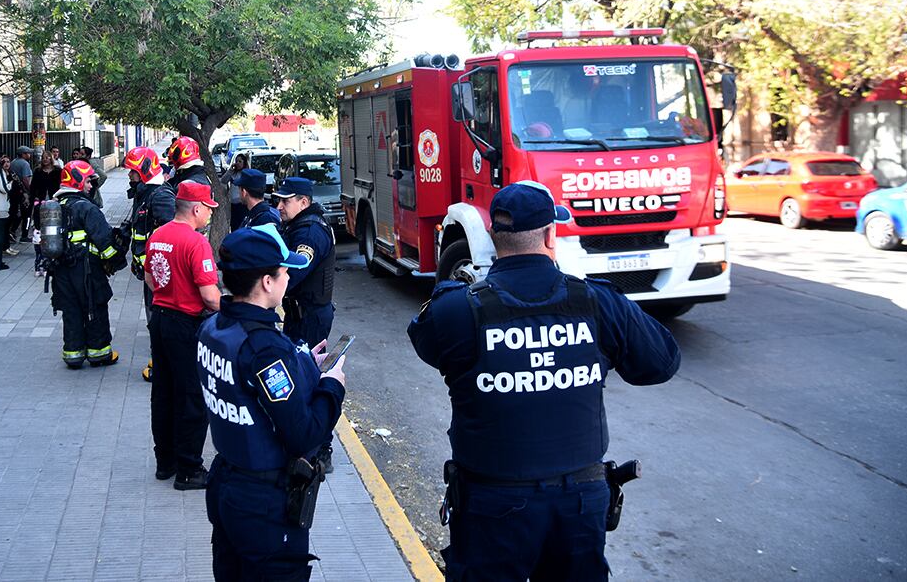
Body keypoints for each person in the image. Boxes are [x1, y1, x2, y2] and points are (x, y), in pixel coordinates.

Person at [407, 180, 681, 581]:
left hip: (492, 505)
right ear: (552, 233)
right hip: (579, 506)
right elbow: (660, 363)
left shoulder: (457, 309)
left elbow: (428, 345)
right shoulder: (595, 301)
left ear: (491, 237)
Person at [201, 225, 347, 581]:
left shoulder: (214, 327)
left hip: (228, 482)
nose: (287, 279)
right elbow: (304, 433)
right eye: (284, 272)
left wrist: (300, 364)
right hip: (262, 501)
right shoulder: (265, 347)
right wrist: (332, 386)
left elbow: (244, 385)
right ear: (267, 282)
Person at [145, 180, 222, 490]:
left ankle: (165, 462)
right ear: (196, 208)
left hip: (160, 320)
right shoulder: (195, 242)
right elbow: (210, 297)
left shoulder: (158, 235)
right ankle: (189, 469)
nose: (210, 216)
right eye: (209, 210)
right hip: (185, 325)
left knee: (163, 392)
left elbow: (151, 278)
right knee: (191, 395)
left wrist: (171, 294)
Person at [275, 175, 339, 473]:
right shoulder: (298, 226)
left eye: (285, 201)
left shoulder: (311, 233)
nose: (279, 206)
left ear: (303, 202)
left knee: (312, 380)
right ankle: (303, 442)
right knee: (299, 377)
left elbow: (295, 272)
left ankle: (321, 449)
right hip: (299, 314)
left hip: (310, 317)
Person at [48, 160, 122, 369]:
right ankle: (99, 354)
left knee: (71, 310)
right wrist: (115, 261)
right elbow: (105, 241)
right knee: (94, 307)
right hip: (87, 270)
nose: (91, 186)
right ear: (78, 181)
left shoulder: (55, 206)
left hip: (61, 270)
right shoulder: (87, 208)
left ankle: (73, 355)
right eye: (89, 181)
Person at [122, 147, 177, 383]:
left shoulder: (161, 196)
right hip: (150, 273)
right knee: (154, 318)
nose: (129, 176)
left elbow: (170, 235)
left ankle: (162, 365)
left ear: (144, 169)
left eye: (133, 171)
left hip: (160, 275)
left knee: (160, 319)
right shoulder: (144, 193)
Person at [30, 151, 63, 278]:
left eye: (48, 157)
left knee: (54, 233)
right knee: (39, 233)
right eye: (43, 158)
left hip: (55, 206)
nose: (45, 160)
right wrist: (34, 201)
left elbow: (61, 186)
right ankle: (39, 262)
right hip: (41, 205)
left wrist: (59, 199)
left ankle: (51, 261)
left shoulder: (58, 171)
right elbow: (33, 188)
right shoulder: (38, 171)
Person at [9, 146, 35, 243]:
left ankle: (12, 231)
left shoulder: (13, 162)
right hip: (23, 193)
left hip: (14, 192)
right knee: (27, 215)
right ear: (23, 154)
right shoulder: (25, 164)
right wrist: (30, 190)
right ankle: (25, 235)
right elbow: (25, 179)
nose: (29, 155)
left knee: (16, 213)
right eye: (28, 153)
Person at [220, 154, 248, 229]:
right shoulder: (233, 173)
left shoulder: (246, 173)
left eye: (240, 161)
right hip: (233, 204)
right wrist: (230, 170)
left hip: (242, 204)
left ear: (244, 163)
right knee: (234, 225)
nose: (238, 163)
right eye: (236, 161)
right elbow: (223, 180)